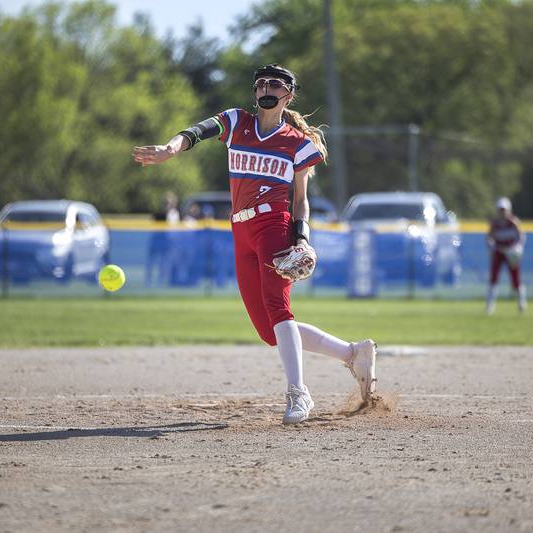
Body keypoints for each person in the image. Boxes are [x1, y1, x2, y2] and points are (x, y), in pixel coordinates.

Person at [132, 64, 376, 425]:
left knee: (279, 309)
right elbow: (197, 131)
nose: (266, 88)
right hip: (240, 230)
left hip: (273, 226)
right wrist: (171, 148)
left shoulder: (297, 142)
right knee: (268, 331)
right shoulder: (236, 122)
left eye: (275, 84)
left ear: (288, 95)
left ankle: (299, 393)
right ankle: (352, 354)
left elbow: (301, 200)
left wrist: (302, 239)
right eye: (261, 82)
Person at [485, 197, 526, 314]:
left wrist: (518, 249)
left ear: (509, 210)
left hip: (511, 252)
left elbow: (521, 237)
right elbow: (489, 238)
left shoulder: (514, 223)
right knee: (493, 278)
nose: (502, 212)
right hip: (499, 252)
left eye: (504, 210)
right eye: (500, 210)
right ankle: (490, 306)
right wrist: (491, 247)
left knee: (515, 279)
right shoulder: (495, 224)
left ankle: (521, 303)